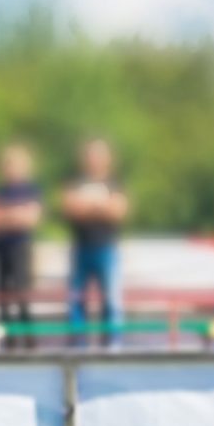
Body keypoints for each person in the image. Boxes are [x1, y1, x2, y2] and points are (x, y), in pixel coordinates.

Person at [62, 137, 129, 345]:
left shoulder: (115, 184)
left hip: (106, 249)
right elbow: (70, 209)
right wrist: (101, 206)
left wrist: (88, 206)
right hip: (81, 248)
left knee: (111, 300)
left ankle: (113, 345)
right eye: (91, 155)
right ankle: (78, 345)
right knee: (76, 300)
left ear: (108, 159)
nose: (94, 160)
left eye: (99, 155)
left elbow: (118, 211)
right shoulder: (75, 183)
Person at [0, 144, 44, 337]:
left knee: (22, 295)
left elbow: (30, 219)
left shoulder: (30, 190)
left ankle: (28, 339)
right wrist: (14, 215)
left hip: (20, 248)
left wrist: (3, 216)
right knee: (3, 297)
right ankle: (8, 340)